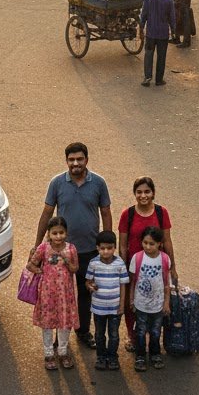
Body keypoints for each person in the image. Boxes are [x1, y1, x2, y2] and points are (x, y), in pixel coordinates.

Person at [34, 143, 112, 349]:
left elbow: (105, 213)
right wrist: (37, 244)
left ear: (87, 160)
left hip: (89, 251)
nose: (75, 163)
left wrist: (108, 245)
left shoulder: (99, 183)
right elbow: (46, 213)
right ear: (66, 161)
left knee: (85, 293)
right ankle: (60, 338)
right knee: (58, 296)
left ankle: (83, 331)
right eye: (71, 159)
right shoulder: (57, 183)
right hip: (60, 253)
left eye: (79, 159)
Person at [118, 177, 178, 351]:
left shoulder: (161, 212)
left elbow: (167, 241)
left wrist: (173, 267)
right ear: (134, 193)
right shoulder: (127, 214)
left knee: (156, 298)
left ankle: (152, 336)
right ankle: (132, 335)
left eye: (147, 192)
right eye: (139, 192)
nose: (143, 196)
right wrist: (123, 268)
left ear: (153, 193)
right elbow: (123, 244)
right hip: (134, 266)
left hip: (157, 266)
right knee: (131, 302)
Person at [27, 216, 80, 371]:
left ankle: (63, 351)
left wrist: (67, 260)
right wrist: (41, 272)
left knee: (65, 322)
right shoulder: (43, 248)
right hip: (47, 293)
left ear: (66, 233)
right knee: (48, 323)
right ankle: (48, 353)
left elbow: (75, 268)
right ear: (49, 234)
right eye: (54, 233)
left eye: (61, 233)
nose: (58, 236)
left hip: (65, 294)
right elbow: (30, 265)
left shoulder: (71, 249)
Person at [128, 227, 172, 372]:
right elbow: (133, 282)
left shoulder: (164, 259)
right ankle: (140, 356)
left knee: (155, 331)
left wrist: (166, 303)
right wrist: (131, 300)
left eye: (151, 244)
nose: (147, 246)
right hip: (140, 304)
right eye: (145, 243)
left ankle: (155, 354)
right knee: (140, 332)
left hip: (158, 305)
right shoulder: (137, 258)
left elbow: (167, 284)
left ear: (159, 244)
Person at [85, 230, 129, 371]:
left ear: (114, 247)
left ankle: (112, 357)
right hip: (98, 308)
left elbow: (123, 285)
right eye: (102, 248)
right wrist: (90, 286)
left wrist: (122, 305)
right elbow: (88, 281)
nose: (106, 251)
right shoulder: (93, 263)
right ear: (97, 248)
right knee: (99, 334)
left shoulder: (120, 263)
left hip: (115, 308)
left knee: (114, 334)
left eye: (109, 248)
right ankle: (101, 357)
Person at [139, 0, 176, 87]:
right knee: (161, 56)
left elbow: (143, 14)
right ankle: (159, 80)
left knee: (148, 54)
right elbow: (172, 18)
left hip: (151, 32)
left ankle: (147, 77)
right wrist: (173, 31)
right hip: (163, 34)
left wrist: (141, 28)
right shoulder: (169, 0)